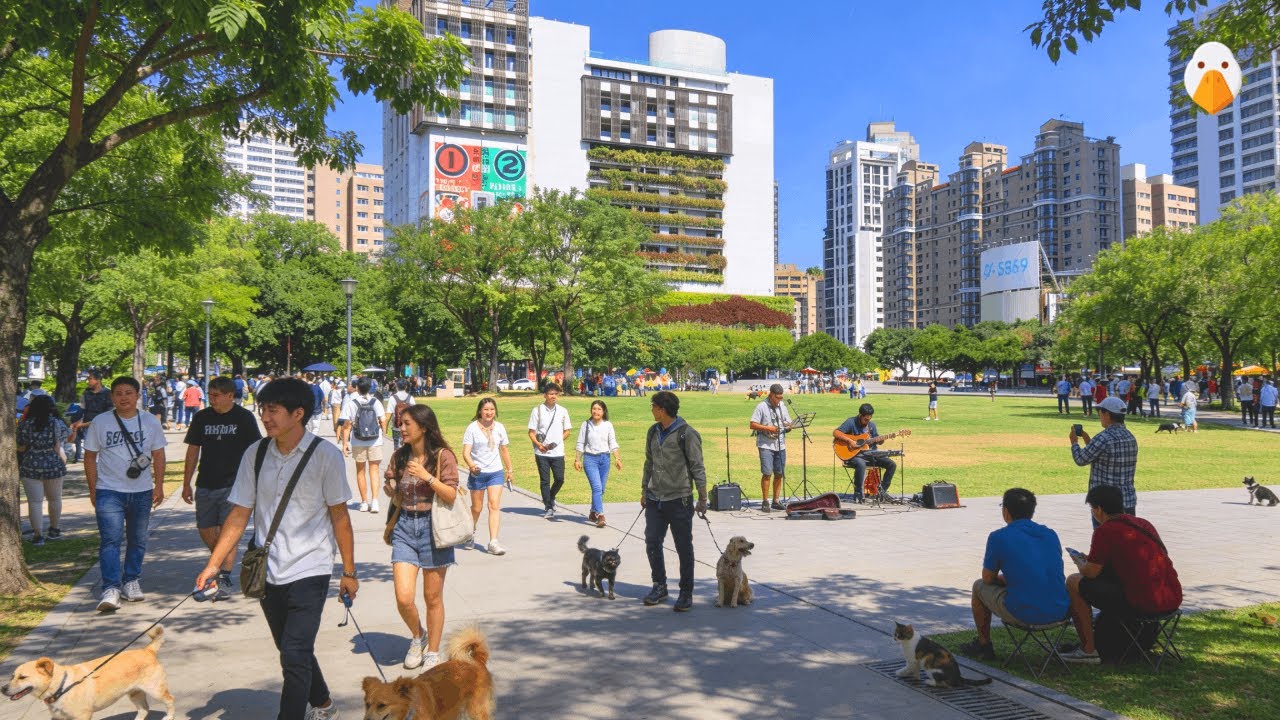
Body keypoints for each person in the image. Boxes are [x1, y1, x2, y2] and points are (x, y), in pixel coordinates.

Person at [196, 377, 353, 719]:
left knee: (294, 653)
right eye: (262, 409)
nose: (265, 417)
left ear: (298, 413)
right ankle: (324, 704)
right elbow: (239, 513)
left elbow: (340, 516)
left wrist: (349, 572)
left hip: (311, 567)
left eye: (273, 410)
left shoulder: (325, 455)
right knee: (291, 649)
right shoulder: (255, 454)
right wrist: (214, 564)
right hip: (267, 568)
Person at [372, 404, 458, 674]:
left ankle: (432, 651)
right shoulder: (400, 456)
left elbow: (451, 494)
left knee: (432, 598)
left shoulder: (443, 456)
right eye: (401, 423)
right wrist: (390, 487)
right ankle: (418, 636)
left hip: (434, 529)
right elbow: (390, 484)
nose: (401, 427)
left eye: (407, 423)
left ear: (423, 426)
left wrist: (427, 477)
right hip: (405, 527)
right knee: (403, 597)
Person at [1061, 485, 1183, 664]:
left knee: (1073, 581)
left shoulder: (1105, 530)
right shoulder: (1143, 524)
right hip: (1171, 598)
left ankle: (1088, 649)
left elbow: (1091, 573)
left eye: (1092, 509)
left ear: (1099, 509)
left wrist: (1081, 564)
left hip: (1143, 602)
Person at [84, 377, 167, 612]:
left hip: (141, 491)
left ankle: (131, 580)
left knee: (138, 539)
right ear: (112, 397)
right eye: (118, 393)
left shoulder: (150, 421)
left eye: (129, 393)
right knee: (110, 540)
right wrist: (93, 489)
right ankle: (110, 588)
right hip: (109, 490)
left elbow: (159, 455)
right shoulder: (100, 422)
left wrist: (159, 485)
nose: (123, 397)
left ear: (138, 395)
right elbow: (89, 457)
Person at [958, 488, 1070, 660]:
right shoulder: (1050, 534)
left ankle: (984, 645)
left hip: (1024, 612)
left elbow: (987, 578)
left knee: (978, 586)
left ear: (1005, 511)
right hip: (1060, 610)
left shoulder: (999, 537)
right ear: (1032, 511)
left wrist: (1004, 580)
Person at [181, 376, 262, 602]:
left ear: (230, 396)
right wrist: (186, 482)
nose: (212, 400)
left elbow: (255, 450)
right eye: (210, 395)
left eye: (216, 396)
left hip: (234, 485)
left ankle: (223, 577)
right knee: (205, 528)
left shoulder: (244, 418)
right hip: (206, 482)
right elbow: (192, 450)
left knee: (228, 531)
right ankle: (218, 562)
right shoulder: (201, 417)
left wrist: (255, 482)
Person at [641, 391, 707, 612]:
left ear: (662, 409)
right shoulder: (653, 431)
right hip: (655, 498)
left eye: (653, 406)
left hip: (680, 499)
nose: (651, 410)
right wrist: (644, 490)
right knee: (652, 542)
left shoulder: (687, 434)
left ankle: (686, 592)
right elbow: (648, 462)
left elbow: (697, 466)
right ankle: (659, 586)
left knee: (683, 547)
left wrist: (703, 497)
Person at [1070, 396, 1138, 524]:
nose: (1099, 415)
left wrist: (1074, 443)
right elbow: (1106, 456)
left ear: (1106, 414)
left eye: (1100, 411)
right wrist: (1088, 440)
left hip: (1106, 507)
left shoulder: (1104, 437)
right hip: (1128, 501)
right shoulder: (1130, 437)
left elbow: (1081, 459)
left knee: (1105, 536)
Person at [17, 395, 71, 546]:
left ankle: (38, 535)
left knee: (35, 502)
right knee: (55, 499)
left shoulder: (25, 424)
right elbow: (59, 446)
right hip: (53, 465)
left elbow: (21, 447)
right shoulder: (57, 423)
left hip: (31, 465)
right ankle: (54, 530)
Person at [462, 397, 514, 553]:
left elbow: (504, 450)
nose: (489, 412)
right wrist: (472, 465)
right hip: (478, 473)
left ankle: (493, 542)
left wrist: (509, 470)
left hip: (495, 472)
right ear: (480, 411)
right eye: (486, 409)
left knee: (494, 505)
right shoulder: (472, 428)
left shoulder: (499, 427)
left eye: (492, 409)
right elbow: (466, 452)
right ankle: (470, 533)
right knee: (476, 508)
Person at [572, 399, 623, 528]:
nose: (596, 411)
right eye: (594, 409)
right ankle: (600, 515)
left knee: (601, 489)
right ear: (591, 410)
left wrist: (617, 458)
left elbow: (612, 442)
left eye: (599, 409)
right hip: (590, 459)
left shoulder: (608, 425)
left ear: (604, 411)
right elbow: (580, 443)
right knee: (597, 488)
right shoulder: (586, 425)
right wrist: (577, 460)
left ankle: (592, 512)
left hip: (605, 459)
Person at [833, 403, 898, 502]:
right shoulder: (851, 422)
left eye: (869, 419)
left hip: (870, 455)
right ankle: (858, 493)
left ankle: (881, 492)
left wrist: (881, 440)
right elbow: (836, 433)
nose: (867, 421)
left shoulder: (871, 426)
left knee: (891, 464)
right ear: (860, 415)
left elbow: (877, 440)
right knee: (861, 463)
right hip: (854, 456)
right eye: (865, 419)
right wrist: (850, 441)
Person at [340, 378, 386, 514]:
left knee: (360, 471)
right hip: (375, 440)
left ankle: (364, 502)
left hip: (358, 440)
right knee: (374, 470)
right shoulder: (376, 402)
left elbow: (346, 426)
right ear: (370, 388)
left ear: (357, 388)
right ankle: (375, 501)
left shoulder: (351, 403)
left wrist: (345, 443)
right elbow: (383, 420)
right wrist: (383, 433)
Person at [528, 383, 572, 520]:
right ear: (545, 395)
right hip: (541, 452)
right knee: (545, 480)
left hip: (557, 452)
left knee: (560, 479)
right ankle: (548, 507)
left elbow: (567, 431)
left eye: (555, 394)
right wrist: (539, 445)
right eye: (551, 394)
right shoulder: (537, 411)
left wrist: (557, 442)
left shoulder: (563, 411)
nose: (553, 396)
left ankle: (551, 496)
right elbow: (531, 432)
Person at [748, 384, 791, 512]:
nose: (779, 400)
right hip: (766, 444)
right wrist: (768, 428)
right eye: (777, 397)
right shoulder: (761, 406)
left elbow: (788, 421)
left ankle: (776, 501)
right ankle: (765, 501)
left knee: (779, 473)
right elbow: (752, 424)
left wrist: (788, 425)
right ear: (771, 395)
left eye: (781, 397)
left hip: (780, 444)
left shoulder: (782, 406)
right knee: (767, 473)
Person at [70, 370, 112, 463]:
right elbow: (82, 408)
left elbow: (110, 413)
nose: (88, 381)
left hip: (104, 426)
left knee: (104, 451)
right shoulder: (85, 393)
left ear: (98, 380)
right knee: (90, 451)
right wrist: (77, 422)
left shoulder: (108, 393)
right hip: (88, 427)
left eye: (90, 379)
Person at [387, 380, 415, 451]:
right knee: (408, 446)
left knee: (397, 447)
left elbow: (389, 414)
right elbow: (415, 413)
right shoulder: (410, 398)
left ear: (396, 386)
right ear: (406, 387)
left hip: (396, 426)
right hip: (408, 426)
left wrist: (385, 428)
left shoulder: (392, 398)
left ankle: (398, 457)